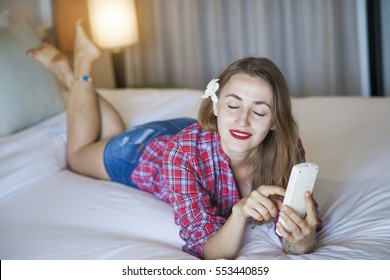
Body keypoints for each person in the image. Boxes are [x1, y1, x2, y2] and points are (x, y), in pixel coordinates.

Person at [27, 21, 322, 259]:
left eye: (259, 111)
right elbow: (209, 249)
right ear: (216, 106)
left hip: (192, 133)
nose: (243, 121)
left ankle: (68, 74)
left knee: (110, 133)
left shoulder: (288, 147)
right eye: (233, 106)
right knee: (78, 155)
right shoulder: (182, 153)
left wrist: (304, 239)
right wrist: (239, 213)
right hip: (141, 151)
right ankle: (79, 70)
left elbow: (302, 226)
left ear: (274, 122)